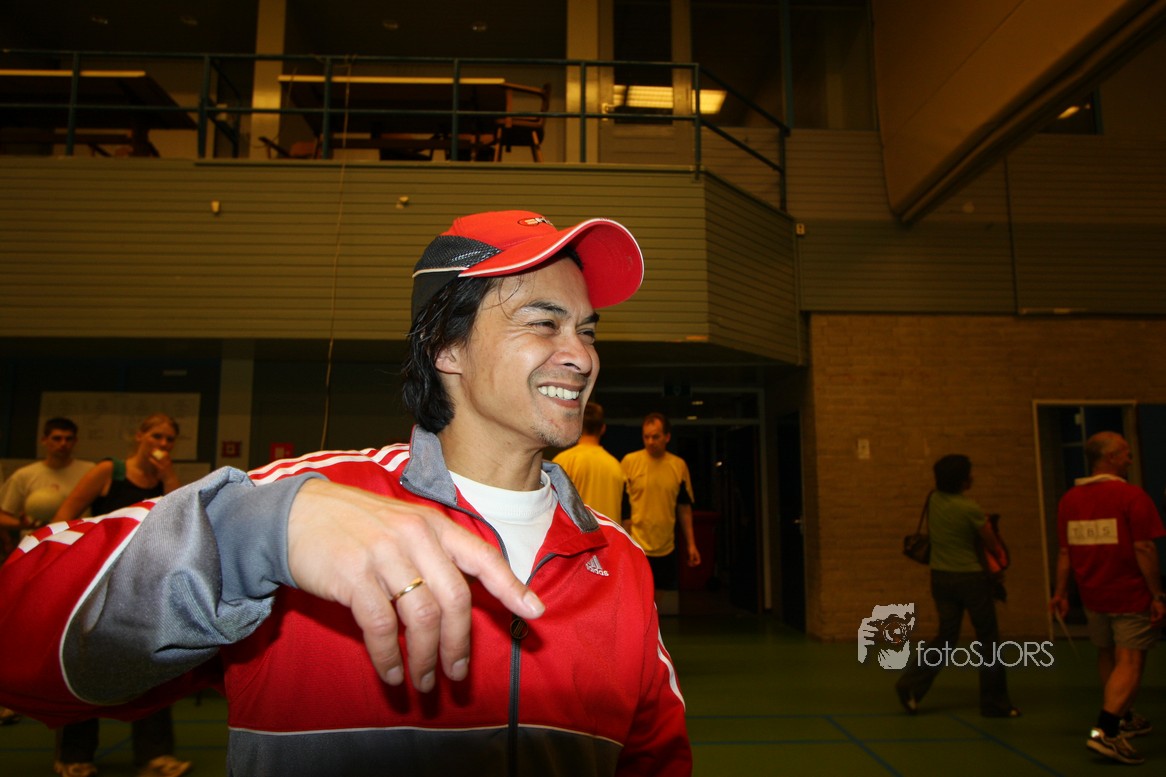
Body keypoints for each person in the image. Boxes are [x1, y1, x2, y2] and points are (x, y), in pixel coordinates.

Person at [0, 210, 692, 776]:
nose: (582, 355)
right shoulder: (306, 506)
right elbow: (17, 639)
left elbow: (655, 758)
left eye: (586, 329)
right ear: (446, 347)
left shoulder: (617, 559)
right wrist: (250, 539)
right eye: (544, 322)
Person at [48, 413, 190, 777]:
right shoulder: (109, 471)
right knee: (86, 666)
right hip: (97, 582)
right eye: (156, 436)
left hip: (143, 585)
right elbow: (65, 517)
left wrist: (169, 478)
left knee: (150, 665)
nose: (163, 444)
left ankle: (155, 755)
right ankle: (74, 755)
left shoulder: (165, 480)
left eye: (169, 439)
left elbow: (180, 523)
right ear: (139, 436)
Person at [1050, 431, 1166, 766]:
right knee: (1130, 660)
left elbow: (1065, 552)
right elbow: (1144, 548)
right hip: (1128, 593)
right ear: (1110, 458)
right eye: (1126, 453)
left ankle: (1124, 715)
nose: (1131, 458)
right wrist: (1157, 594)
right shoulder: (1132, 496)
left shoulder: (1069, 500)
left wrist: (1060, 592)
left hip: (1092, 595)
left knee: (1107, 653)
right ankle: (1107, 731)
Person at [894, 454, 1019, 718]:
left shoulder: (933, 499)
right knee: (988, 640)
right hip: (971, 580)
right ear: (963, 480)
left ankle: (911, 684)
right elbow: (991, 543)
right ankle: (995, 703)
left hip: (940, 579)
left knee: (946, 637)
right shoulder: (970, 508)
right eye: (969, 473)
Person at [0, 417, 95, 727]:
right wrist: (23, 524)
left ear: (75, 441)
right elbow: (3, 514)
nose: (62, 444)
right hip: (35, 564)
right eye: (56, 438)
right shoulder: (25, 476)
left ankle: (68, 695)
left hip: (78, 565)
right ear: (45, 440)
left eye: (68, 438)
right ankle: (14, 697)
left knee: (69, 634)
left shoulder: (89, 472)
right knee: (25, 631)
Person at [621, 412, 700, 615]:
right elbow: (623, 506)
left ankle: (649, 625)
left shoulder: (678, 466)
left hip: (666, 545)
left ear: (667, 437)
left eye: (655, 436)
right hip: (637, 544)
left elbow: (684, 508)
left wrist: (691, 544)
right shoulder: (630, 462)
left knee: (654, 603)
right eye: (646, 436)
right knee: (636, 599)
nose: (650, 441)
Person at [551, 401, 626, 519]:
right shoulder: (616, 466)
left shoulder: (561, 462)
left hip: (575, 531)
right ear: (603, 429)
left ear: (577, 425)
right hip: (608, 531)